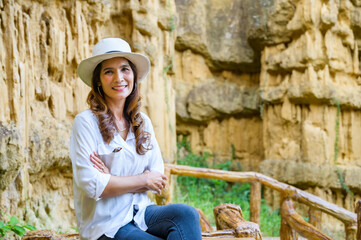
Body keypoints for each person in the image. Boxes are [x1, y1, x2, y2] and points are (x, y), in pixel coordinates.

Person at [70, 38, 202, 240]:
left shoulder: (142, 122)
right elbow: (91, 185)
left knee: (186, 215)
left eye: (124, 69)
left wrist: (111, 180)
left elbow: (157, 178)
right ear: (98, 80)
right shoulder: (86, 123)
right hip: (107, 224)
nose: (118, 78)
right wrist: (142, 179)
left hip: (139, 213)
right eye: (108, 71)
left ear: (133, 75)